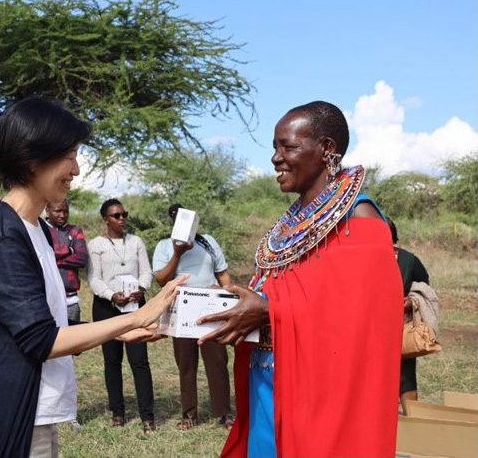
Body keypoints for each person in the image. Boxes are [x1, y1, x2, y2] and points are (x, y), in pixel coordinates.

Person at [0, 96, 187, 457]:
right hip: (9, 414)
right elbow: (41, 340)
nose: (75, 169)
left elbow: (38, 322)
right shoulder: (1, 236)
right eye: (69, 156)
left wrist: (125, 330)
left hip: (35, 409)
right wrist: (137, 315)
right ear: (32, 161)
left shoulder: (36, 230)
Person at [200, 101, 400, 456]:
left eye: (287, 146)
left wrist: (269, 312)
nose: (276, 158)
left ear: (326, 150)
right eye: (274, 147)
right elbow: (281, 293)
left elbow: (364, 324)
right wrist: (235, 306)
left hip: (318, 395)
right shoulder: (292, 222)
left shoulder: (359, 217)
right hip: (267, 382)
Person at [152, 203, 234, 430]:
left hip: (210, 308)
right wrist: (177, 254)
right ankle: (189, 414)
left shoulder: (207, 241)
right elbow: (160, 279)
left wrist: (227, 296)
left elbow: (223, 274)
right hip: (183, 311)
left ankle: (224, 412)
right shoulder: (163, 246)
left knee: (217, 361)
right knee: (186, 363)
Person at [87, 198, 157, 432]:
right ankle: (118, 413)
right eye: (116, 215)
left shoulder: (135, 241)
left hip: (135, 306)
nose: (122, 218)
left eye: (124, 214)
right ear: (105, 219)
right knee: (112, 360)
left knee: (139, 360)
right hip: (107, 307)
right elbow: (94, 278)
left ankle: (148, 416)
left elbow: (146, 271)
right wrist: (110, 295)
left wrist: (141, 288)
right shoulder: (96, 244)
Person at [39, 199, 88, 431]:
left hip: (70, 300)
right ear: (48, 210)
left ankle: (69, 413)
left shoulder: (74, 231)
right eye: (58, 210)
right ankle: (46, 411)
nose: (63, 215)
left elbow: (81, 258)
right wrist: (65, 251)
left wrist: (57, 255)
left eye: (66, 210)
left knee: (67, 358)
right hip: (46, 301)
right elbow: (41, 257)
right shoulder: (40, 229)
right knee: (45, 355)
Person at [389, 218, 430, 411]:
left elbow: (424, 286)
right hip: (369, 329)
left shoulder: (408, 261)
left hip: (400, 327)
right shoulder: (361, 259)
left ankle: (412, 423)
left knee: (405, 376)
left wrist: (412, 301)